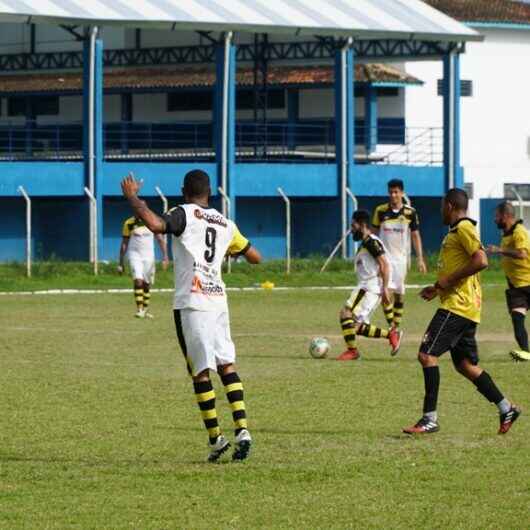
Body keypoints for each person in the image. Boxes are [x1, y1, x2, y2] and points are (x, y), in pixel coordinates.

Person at [121, 170, 261, 462]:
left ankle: (216, 439)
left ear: (185, 191)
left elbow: (157, 225)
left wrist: (132, 197)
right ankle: (243, 429)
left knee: (200, 372)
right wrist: (227, 253)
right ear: (209, 193)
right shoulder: (225, 223)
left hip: (192, 302)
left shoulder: (183, 213)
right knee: (227, 365)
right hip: (219, 301)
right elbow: (255, 256)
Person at [403, 188, 521, 435]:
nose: (440, 211)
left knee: (427, 355)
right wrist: (437, 288)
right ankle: (506, 407)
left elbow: (481, 260)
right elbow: (460, 267)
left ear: (449, 206)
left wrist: (446, 283)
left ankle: (429, 418)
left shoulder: (464, 228)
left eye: (441, 207)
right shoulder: (457, 231)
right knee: (465, 365)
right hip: (466, 307)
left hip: (457, 307)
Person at [337, 210, 403, 361]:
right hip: (368, 287)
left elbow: (384, 264)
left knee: (345, 314)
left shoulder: (370, 242)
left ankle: (352, 351)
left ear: (362, 225)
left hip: (368, 288)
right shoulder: (367, 242)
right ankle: (391, 334)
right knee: (356, 327)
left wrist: (385, 287)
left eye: (353, 225)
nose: (351, 228)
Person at [372, 179, 427, 329]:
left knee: (399, 294)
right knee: (385, 292)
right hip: (385, 259)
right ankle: (393, 328)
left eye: (396, 192)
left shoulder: (410, 213)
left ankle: (396, 325)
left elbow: (415, 235)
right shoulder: (381, 211)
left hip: (402, 260)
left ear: (402, 193)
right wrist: (372, 256)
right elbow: (374, 235)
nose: (393, 195)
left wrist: (420, 259)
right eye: (390, 192)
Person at [487, 201, 530, 362]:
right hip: (516, 287)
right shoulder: (507, 233)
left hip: (528, 283)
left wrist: (499, 250)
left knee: (517, 319)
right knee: (517, 320)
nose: (495, 219)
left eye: (497, 216)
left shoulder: (519, 232)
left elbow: (522, 254)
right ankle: (526, 353)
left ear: (506, 216)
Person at [118, 216, 169, 318]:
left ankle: (145, 310)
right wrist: (121, 262)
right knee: (138, 280)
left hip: (149, 256)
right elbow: (124, 243)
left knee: (146, 283)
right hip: (134, 255)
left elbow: (160, 239)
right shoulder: (129, 223)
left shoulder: (152, 222)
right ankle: (139, 309)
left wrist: (165, 256)